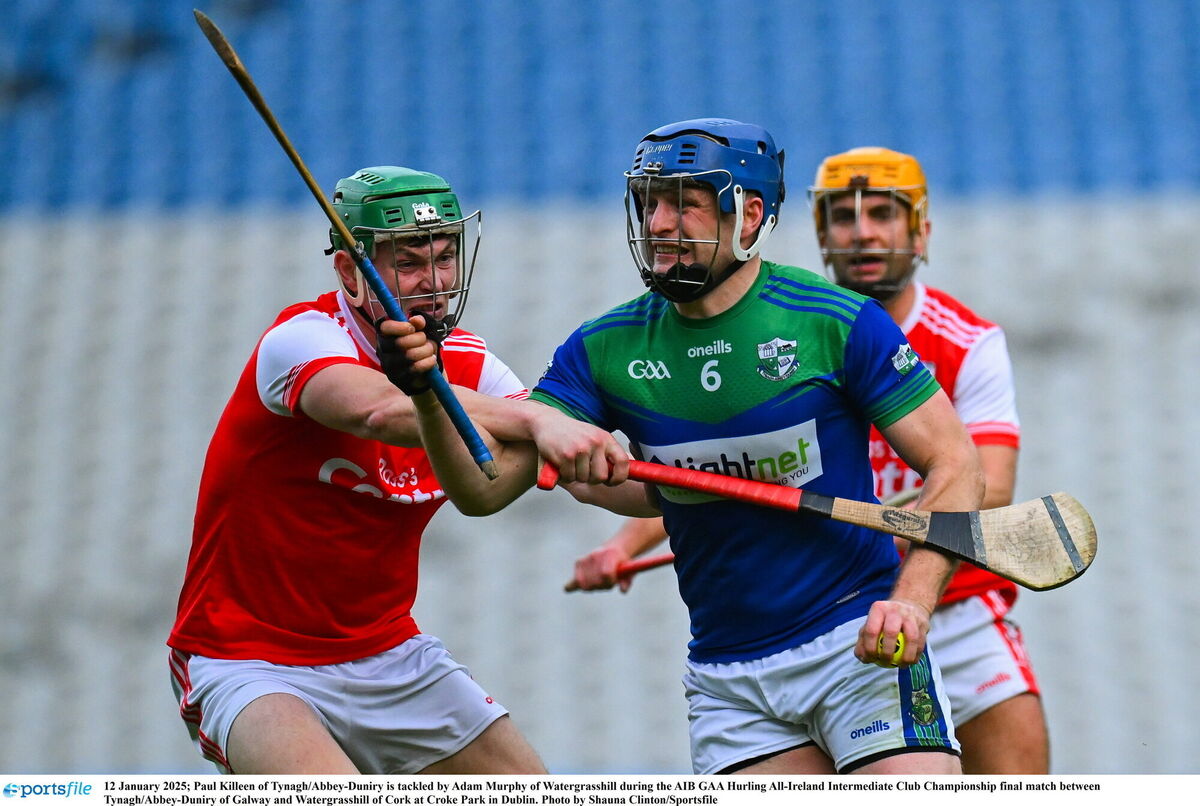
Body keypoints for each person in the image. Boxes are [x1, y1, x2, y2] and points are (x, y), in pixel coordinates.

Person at [396, 120, 985, 775]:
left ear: (749, 213)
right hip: (731, 681)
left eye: (683, 202)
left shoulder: (835, 321)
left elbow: (957, 465)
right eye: (649, 201)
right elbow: (482, 491)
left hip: (856, 642)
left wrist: (912, 599)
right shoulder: (602, 349)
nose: (659, 222)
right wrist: (426, 393)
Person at [574, 146, 1048, 775]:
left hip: (950, 598)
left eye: (883, 214)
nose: (864, 234)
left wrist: (888, 521)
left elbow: (983, 487)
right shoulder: (783, 330)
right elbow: (722, 474)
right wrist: (624, 544)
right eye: (844, 218)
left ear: (922, 231)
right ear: (820, 234)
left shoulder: (965, 341)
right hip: (830, 615)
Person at [166, 165, 622, 774]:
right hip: (249, 659)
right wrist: (539, 420)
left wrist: (719, 488)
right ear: (351, 273)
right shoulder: (302, 339)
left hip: (387, 651)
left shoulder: (473, 364)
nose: (433, 283)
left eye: (443, 258)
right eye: (408, 262)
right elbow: (381, 410)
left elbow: (592, 478)